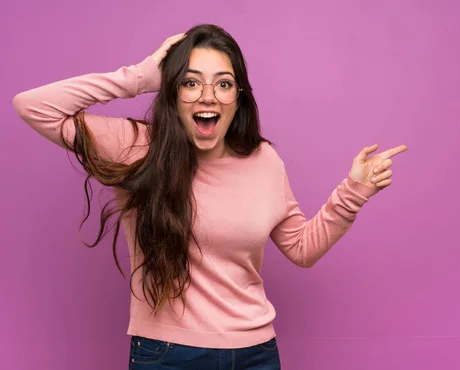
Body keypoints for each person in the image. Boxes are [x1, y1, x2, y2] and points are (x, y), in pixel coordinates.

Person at [12, 24, 407, 369]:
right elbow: (33, 107)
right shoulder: (136, 147)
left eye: (223, 83)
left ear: (238, 96)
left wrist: (354, 192)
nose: (208, 96)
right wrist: (140, 77)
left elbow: (301, 248)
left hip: (256, 353)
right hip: (166, 354)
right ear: (173, 92)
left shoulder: (263, 160)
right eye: (190, 82)